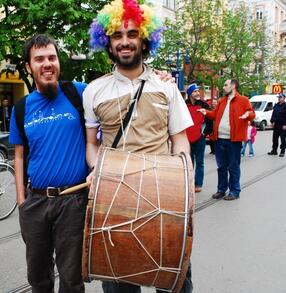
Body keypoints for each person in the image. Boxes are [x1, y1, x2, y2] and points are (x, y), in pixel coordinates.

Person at [85, 0, 194, 292]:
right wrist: (97, 172)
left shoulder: (166, 86)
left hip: (166, 202)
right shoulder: (94, 91)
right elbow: (91, 145)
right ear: (106, 42)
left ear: (144, 40)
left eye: (132, 34)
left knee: (176, 284)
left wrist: (184, 188)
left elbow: (180, 139)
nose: (124, 42)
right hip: (115, 205)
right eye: (117, 36)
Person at [9, 34, 88, 293]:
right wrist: (21, 199)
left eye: (52, 58)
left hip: (73, 202)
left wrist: (157, 76)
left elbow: (116, 92)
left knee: (71, 277)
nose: (47, 64)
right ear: (29, 66)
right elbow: (18, 155)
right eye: (39, 59)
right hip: (35, 202)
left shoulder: (78, 93)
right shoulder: (21, 108)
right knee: (38, 275)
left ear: (59, 63)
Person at [198, 79, 255, 201]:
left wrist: (247, 115)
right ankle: (221, 190)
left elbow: (251, 113)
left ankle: (234, 191)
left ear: (233, 86)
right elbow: (214, 114)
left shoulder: (243, 100)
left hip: (233, 140)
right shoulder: (222, 101)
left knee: (233, 166)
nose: (223, 87)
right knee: (221, 167)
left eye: (225, 85)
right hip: (219, 139)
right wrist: (206, 112)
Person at [185, 83, 212, 193]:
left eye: (198, 91)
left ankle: (198, 183)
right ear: (190, 93)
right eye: (194, 91)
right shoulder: (183, 105)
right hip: (187, 138)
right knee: (189, 162)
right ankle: (189, 182)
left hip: (199, 138)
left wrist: (204, 133)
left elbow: (210, 120)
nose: (197, 93)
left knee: (200, 161)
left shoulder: (203, 105)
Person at [267, 93, 286, 157]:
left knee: (282, 139)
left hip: (283, 125)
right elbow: (273, 114)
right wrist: (272, 122)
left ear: (284, 98)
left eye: (280, 97)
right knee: (274, 138)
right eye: (278, 97)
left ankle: (282, 151)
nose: (279, 98)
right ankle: (274, 150)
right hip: (276, 125)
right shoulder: (276, 105)